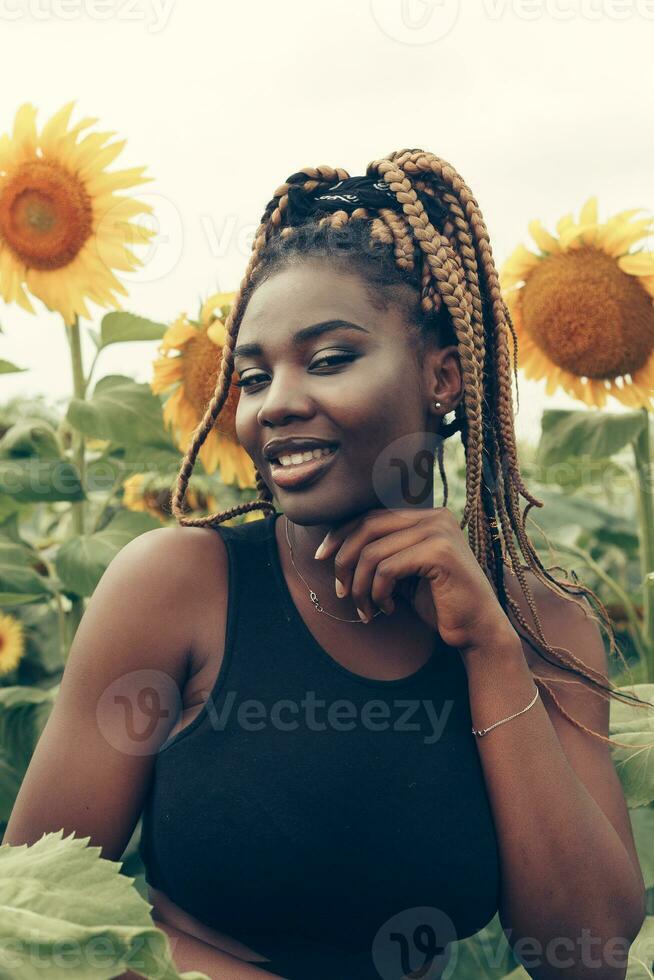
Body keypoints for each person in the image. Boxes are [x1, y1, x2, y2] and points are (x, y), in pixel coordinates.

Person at [3, 149, 649, 980]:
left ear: (443, 375)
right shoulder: (175, 589)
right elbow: (30, 924)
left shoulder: (543, 629)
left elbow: (589, 955)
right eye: (253, 376)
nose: (276, 403)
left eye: (331, 358)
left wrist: (491, 651)